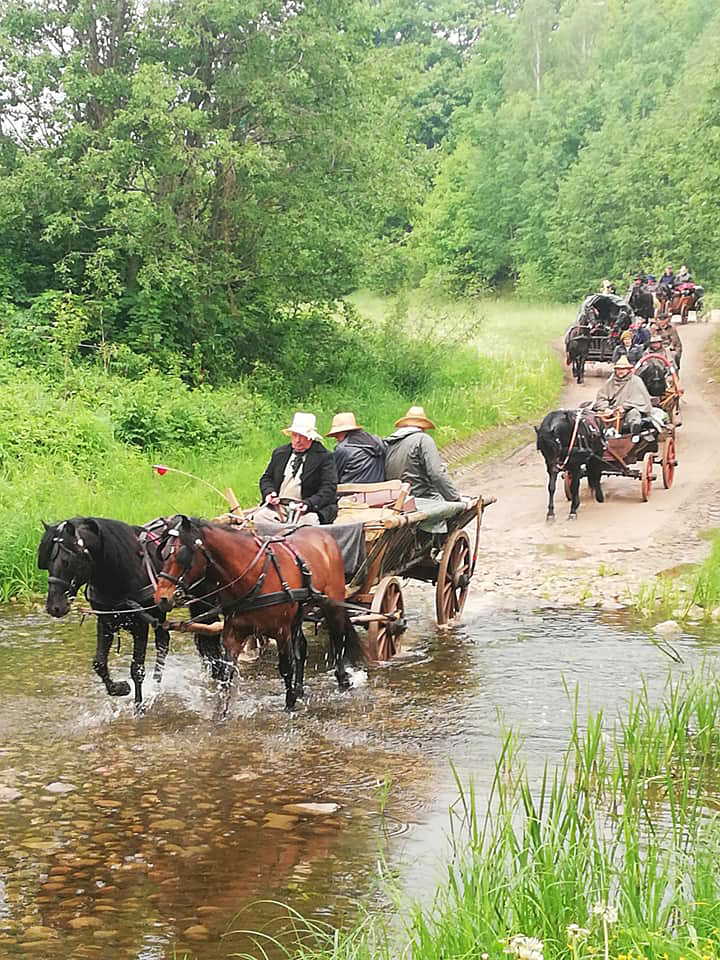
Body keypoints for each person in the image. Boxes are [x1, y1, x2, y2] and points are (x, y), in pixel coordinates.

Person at [257, 412, 338, 525]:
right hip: (279, 507)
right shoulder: (280, 453)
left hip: (307, 510)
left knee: (307, 525)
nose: (297, 440)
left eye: (302, 436)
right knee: (260, 518)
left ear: (310, 437)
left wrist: (308, 503)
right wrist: (269, 493)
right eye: (294, 435)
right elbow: (266, 478)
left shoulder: (324, 457)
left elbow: (329, 488)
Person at [384, 405, 462, 502]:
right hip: (423, 498)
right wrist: (455, 499)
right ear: (423, 427)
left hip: (396, 499)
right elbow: (436, 474)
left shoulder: (390, 442)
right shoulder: (423, 439)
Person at [592, 356, 653, 435]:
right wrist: (606, 408)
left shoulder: (636, 381)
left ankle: (634, 430)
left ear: (628, 369)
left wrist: (624, 407)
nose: (620, 371)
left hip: (629, 410)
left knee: (634, 414)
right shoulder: (610, 382)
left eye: (623, 369)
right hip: (612, 411)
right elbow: (601, 398)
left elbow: (641, 401)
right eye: (618, 369)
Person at [326, 412, 385, 484]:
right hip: (379, 491)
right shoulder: (378, 442)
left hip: (350, 492)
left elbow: (333, 477)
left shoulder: (343, 449)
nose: (335, 437)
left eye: (336, 435)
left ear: (342, 432)